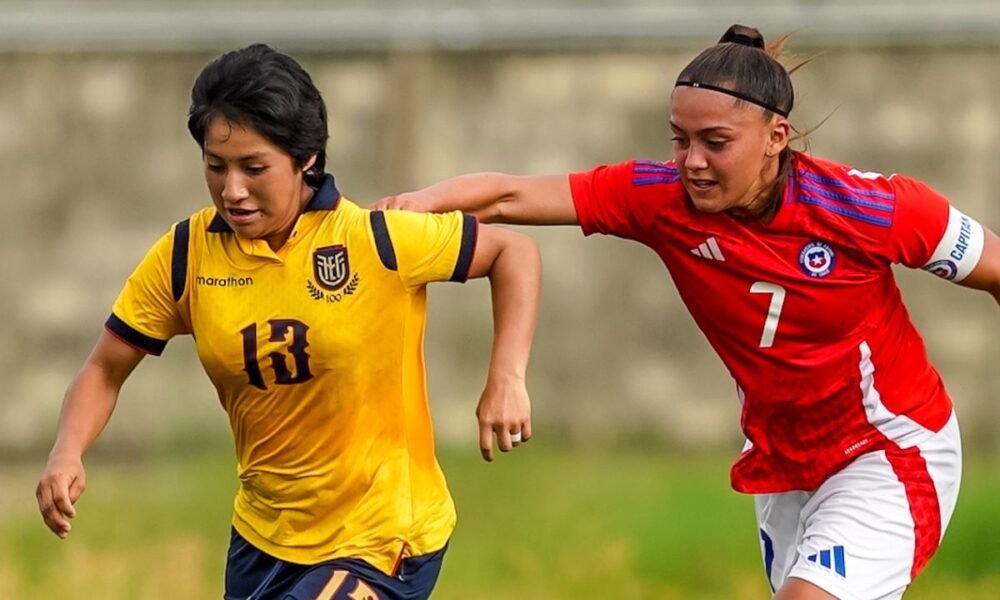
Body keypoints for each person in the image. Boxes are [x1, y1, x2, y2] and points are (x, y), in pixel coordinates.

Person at [374, 24, 1000, 600]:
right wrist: (403, 207)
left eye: (715, 142)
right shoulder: (661, 199)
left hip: (890, 449)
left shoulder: (871, 207)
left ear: (776, 137)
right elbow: (509, 196)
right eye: (680, 139)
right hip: (785, 465)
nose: (692, 161)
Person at [35, 43, 541, 600]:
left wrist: (507, 377)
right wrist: (67, 452)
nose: (232, 190)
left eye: (254, 168)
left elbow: (513, 253)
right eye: (215, 166)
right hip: (263, 540)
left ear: (306, 160)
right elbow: (104, 369)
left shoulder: (374, 239)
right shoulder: (186, 255)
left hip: (382, 537)